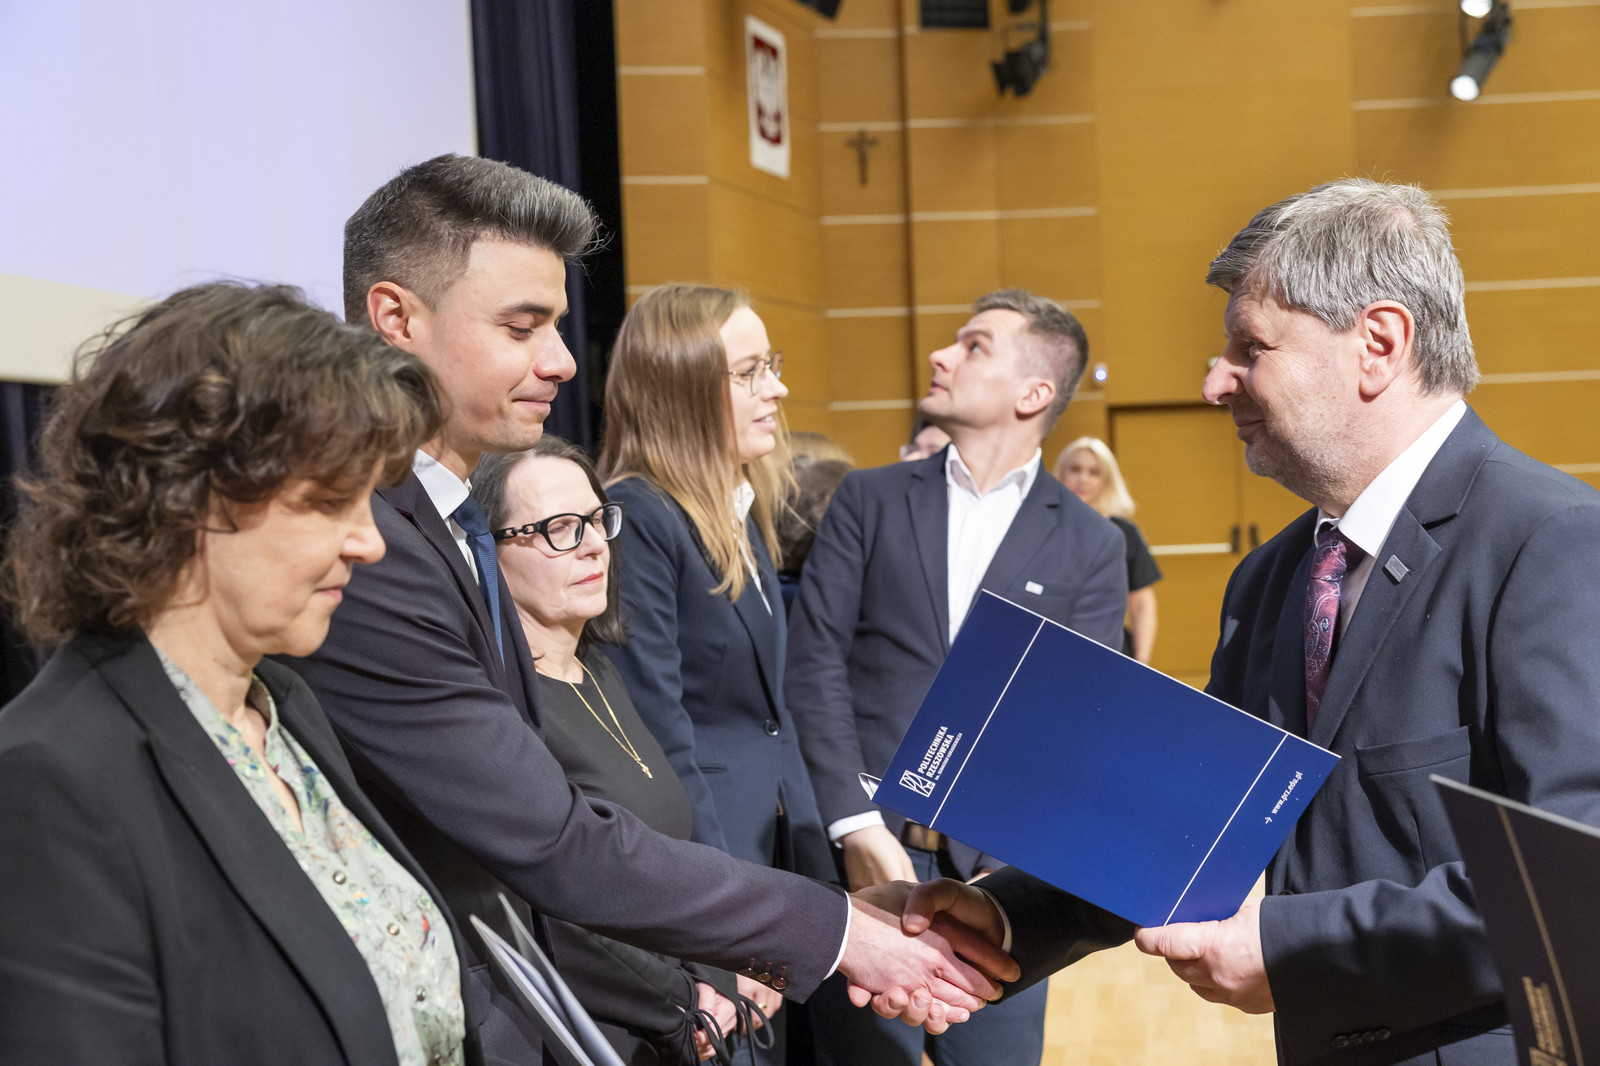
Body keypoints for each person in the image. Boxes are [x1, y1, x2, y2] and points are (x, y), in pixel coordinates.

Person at [280, 155, 1012, 1065]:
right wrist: (830, 933)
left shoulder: (445, 519)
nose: (560, 360)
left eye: (556, 326)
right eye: (521, 327)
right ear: (396, 319)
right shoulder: (365, 548)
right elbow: (547, 837)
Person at [892, 179, 1600, 1065]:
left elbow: (1573, 880)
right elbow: (1184, 827)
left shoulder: (1552, 544)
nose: (1214, 381)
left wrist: (1293, 947)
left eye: (1251, 347)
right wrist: (1001, 916)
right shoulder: (1270, 580)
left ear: (1378, 345)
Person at [0, 282, 478, 1066]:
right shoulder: (49, 780)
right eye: (330, 501)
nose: (370, 543)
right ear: (186, 495)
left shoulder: (286, 707)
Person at [786, 288, 1130, 1066]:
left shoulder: (1092, 544)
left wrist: (1014, 881)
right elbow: (813, 666)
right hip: (862, 857)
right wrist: (855, 827)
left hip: (1001, 886)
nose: (941, 355)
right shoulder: (867, 500)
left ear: (1033, 393)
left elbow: (1075, 723)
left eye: (974, 346)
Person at [597, 283, 838, 1065]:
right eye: (750, 371)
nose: (778, 389)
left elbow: (773, 718)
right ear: (682, 387)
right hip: (711, 885)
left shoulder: (736, 508)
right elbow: (659, 737)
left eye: (774, 365)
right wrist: (730, 926)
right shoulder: (640, 517)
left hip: (769, 867)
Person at [472, 437, 749, 1065]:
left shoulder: (597, 669)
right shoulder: (499, 702)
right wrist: (683, 1000)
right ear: (488, 550)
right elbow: (547, 907)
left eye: (598, 520)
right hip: (594, 1032)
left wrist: (717, 972)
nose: (595, 544)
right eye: (559, 529)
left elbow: (673, 856)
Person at [1053, 437, 1162, 663]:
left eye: (1094, 472)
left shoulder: (1124, 533)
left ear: (1106, 481)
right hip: (1051, 643)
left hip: (1108, 648)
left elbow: (1142, 604)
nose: (1083, 479)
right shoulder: (1042, 527)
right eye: (1075, 469)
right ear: (1061, 473)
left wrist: (1142, 663)